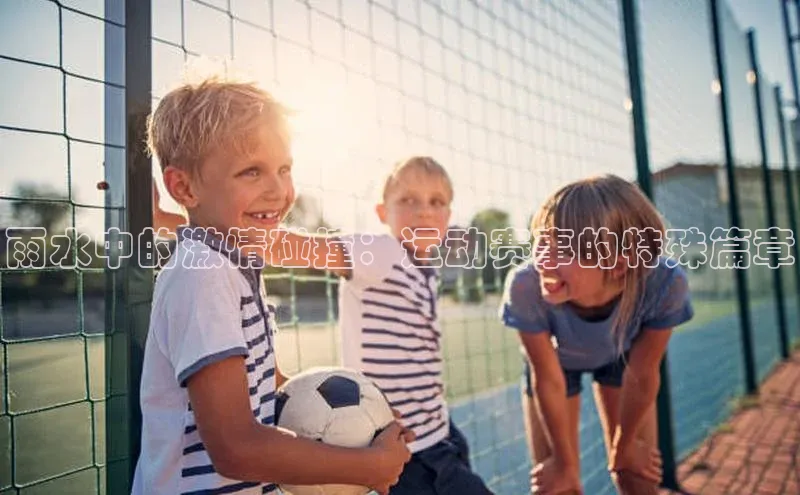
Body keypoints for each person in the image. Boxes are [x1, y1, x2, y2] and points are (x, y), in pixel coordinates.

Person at [132, 75, 414, 495]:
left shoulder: (233, 263)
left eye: (284, 169)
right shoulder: (202, 274)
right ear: (183, 187)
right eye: (252, 171)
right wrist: (364, 466)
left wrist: (362, 421)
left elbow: (266, 389)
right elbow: (235, 447)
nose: (278, 190)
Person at [270, 156, 494, 495]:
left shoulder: (426, 269)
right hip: (406, 451)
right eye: (408, 200)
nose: (424, 211)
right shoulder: (382, 252)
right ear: (381, 213)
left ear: (448, 217)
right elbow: (300, 249)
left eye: (436, 202)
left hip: (440, 430)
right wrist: (207, 226)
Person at [499, 175, 694, 495]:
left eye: (562, 248)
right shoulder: (525, 285)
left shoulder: (665, 283)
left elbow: (643, 373)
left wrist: (625, 445)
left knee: (638, 478)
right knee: (558, 486)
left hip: (623, 359)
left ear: (618, 265)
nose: (542, 261)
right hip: (555, 367)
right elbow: (547, 379)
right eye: (542, 240)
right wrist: (564, 463)